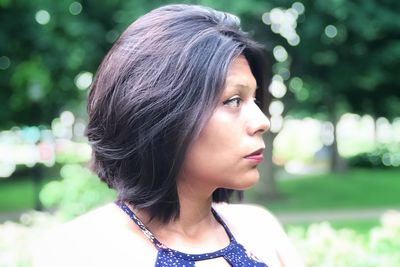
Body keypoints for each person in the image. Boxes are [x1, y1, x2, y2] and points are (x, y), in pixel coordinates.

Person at [33, 4, 303, 267]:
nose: (261, 121)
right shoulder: (79, 251)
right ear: (162, 115)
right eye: (233, 100)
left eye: (254, 99)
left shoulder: (260, 229)